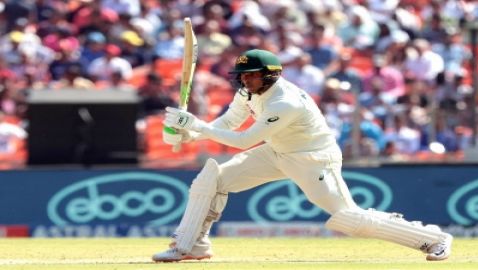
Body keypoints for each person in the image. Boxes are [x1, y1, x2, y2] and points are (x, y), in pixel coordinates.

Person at [152, 49, 453, 262]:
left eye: (251, 76)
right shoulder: (247, 92)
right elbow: (229, 124)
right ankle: (190, 246)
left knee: (347, 218)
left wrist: (196, 125)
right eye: (241, 76)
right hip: (275, 151)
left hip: (312, 158)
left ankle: (433, 239)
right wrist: (191, 133)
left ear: (270, 75)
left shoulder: (286, 102)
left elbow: (243, 140)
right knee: (213, 179)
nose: (245, 82)